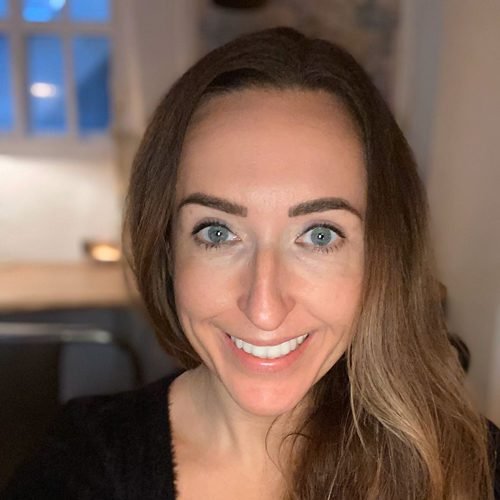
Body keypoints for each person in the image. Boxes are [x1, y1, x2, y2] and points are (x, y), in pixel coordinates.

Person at [4, 27, 499, 500]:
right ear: (167, 248)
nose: (263, 307)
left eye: (320, 235)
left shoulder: (476, 470)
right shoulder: (81, 469)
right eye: (217, 233)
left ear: (382, 255)